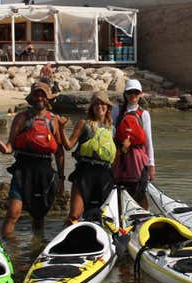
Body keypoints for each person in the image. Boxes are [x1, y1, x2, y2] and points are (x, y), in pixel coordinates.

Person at [0, 82, 67, 236]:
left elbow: (59, 152)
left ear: (48, 98)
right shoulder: (21, 118)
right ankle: (7, 246)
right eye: (37, 95)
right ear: (31, 97)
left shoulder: (53, 120)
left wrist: (61, 179)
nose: (39, 98)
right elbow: (11, 144)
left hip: (44, 171)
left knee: (39, 216)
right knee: (13, 213)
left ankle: (38, 245)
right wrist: (6, 150)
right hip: (23, 170)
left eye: (43, 95)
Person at [59, 91, 116, 224]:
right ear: (92, 107)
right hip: (84, 173)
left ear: (108, 107)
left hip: (105, 175)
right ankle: (67, 233)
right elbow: (68, 146)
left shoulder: (112, 128)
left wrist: (124, 148)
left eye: (102, 103)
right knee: (75, 215)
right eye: (96, 104)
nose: (99, 106)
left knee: (102, 216)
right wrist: (61, 128)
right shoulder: (83, 124)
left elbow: (113, 155)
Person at [112, 79, 156, 209]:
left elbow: (148, 141)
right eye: (130, 92)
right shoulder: (117, 110)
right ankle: (121, 214)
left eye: (136, 93)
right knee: (120, 189)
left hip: (138, 159)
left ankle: (144, 214)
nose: (133, 95)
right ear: (125, 94)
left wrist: (151, 165)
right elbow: (111, 133)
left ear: (140, 94)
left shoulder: (144, 114)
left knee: (140, 190)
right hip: (120, 156)